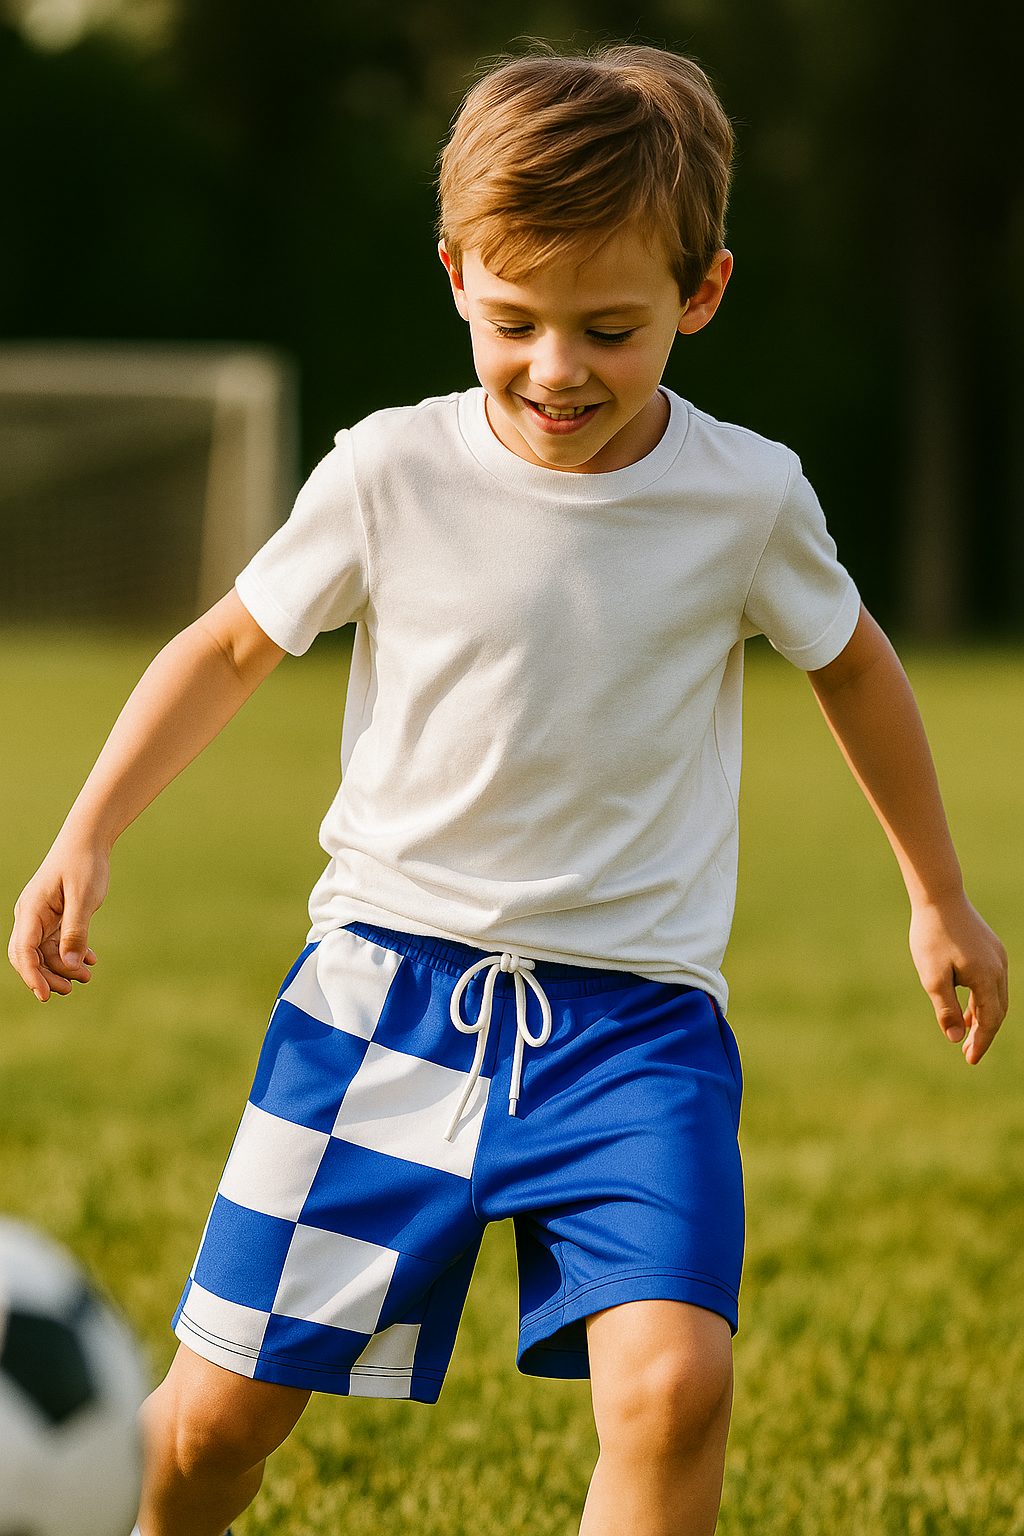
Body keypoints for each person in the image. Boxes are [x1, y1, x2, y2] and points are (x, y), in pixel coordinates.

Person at [8, 44, 1008, 1536]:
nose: (557, 370)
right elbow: (226, 647)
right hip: (380, 1003)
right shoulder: (389, 473)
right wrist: (85, 833)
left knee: (675, 1390)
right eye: (517, 321)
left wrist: (939, 894)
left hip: (638, 1030)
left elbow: (855, 666)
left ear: (702, 295)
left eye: (611, 329)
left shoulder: (747, 498)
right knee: (218, 1422)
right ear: (457, 277)